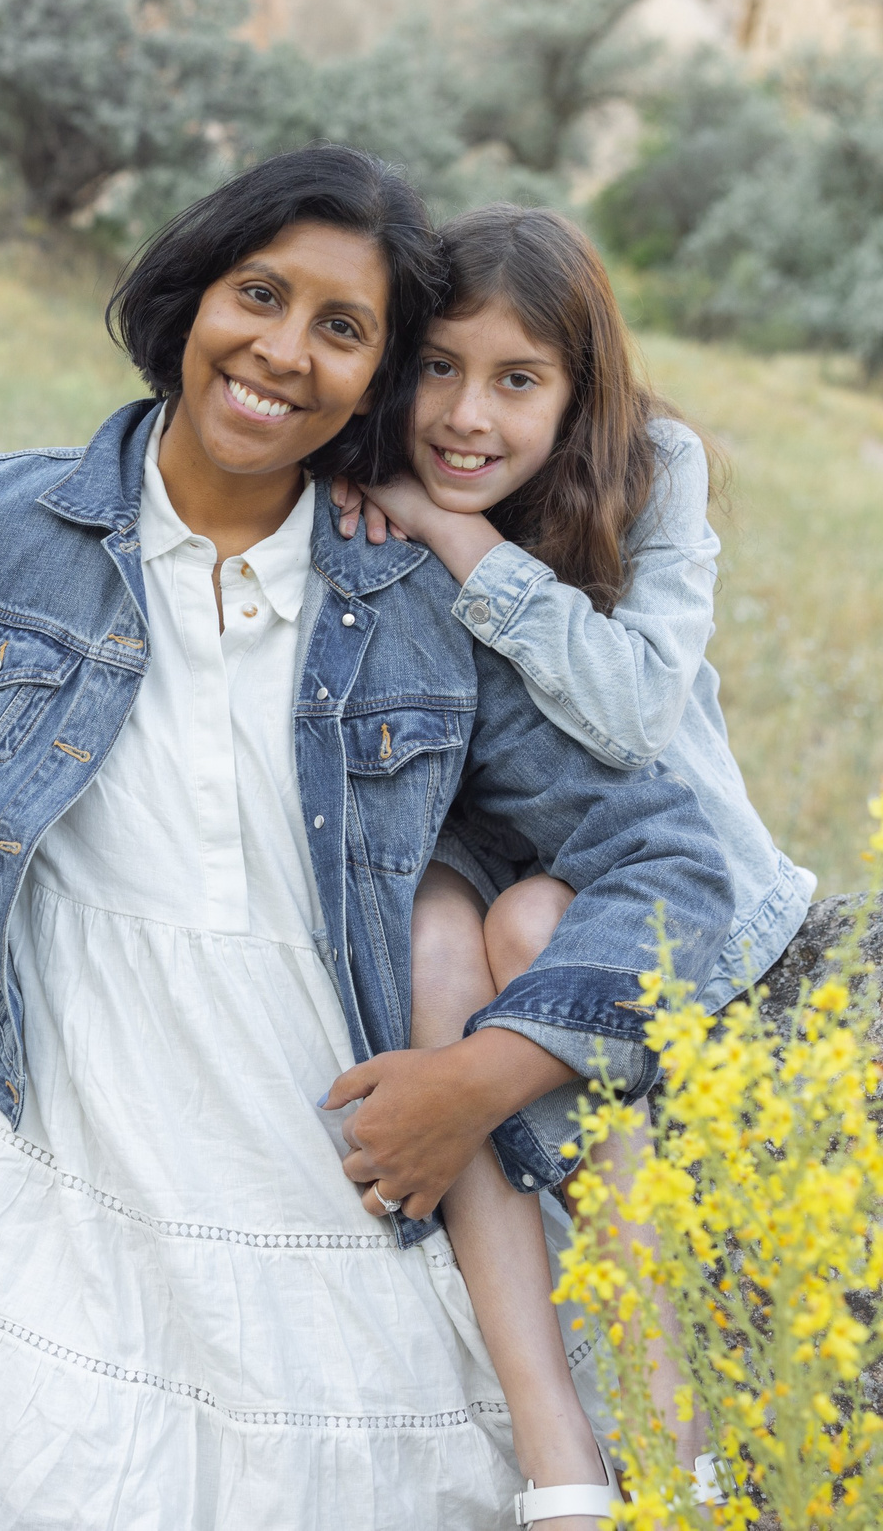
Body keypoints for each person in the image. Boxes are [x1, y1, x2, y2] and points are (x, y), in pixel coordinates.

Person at [0, 147, 741, 1529]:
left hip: (327, 1101)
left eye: (342, 329)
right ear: (189, 297)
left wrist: (480, 1077)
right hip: (64, 1086)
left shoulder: (421, 601)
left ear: (375, 378)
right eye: (260, 294)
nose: (284, 352)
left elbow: (677, 859)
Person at [333, 204, 814, 1526]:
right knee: (444, 938)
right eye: (438, 366)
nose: (466, 415)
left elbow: (633, 708)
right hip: (491, 855)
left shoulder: (655, 463)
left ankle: (666, 1432)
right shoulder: (359, 475)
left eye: (516, 380)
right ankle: (559, 1459)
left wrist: (458, 538)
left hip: (666, 858)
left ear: (578, 388)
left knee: (543, 926)